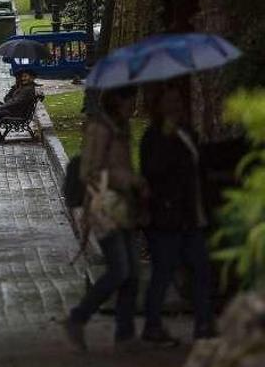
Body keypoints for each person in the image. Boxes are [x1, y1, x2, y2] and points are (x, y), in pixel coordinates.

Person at [64, 86, 147, 353]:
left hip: (124, 207)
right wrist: (129, 180)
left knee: (132, 274)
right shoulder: (99, 129)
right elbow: (90, 171)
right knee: (120, 270)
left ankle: (125, 334)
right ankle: (78, 317)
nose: (134, 104)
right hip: (104, 209)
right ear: (118, 100)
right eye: (130, 98)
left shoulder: (123, 128)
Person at [140, 85, 216, 344]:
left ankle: (204, 323)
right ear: (159, 107)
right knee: (163, 272)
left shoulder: (188, 132)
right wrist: (168, 141)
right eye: (169, 102)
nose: (175, 106)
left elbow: (198, 169)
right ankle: (152, 325)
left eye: (177, 101)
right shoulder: (154, 136)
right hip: (168, 218)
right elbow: (153, 172)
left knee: (201, 269)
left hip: (192, 215)